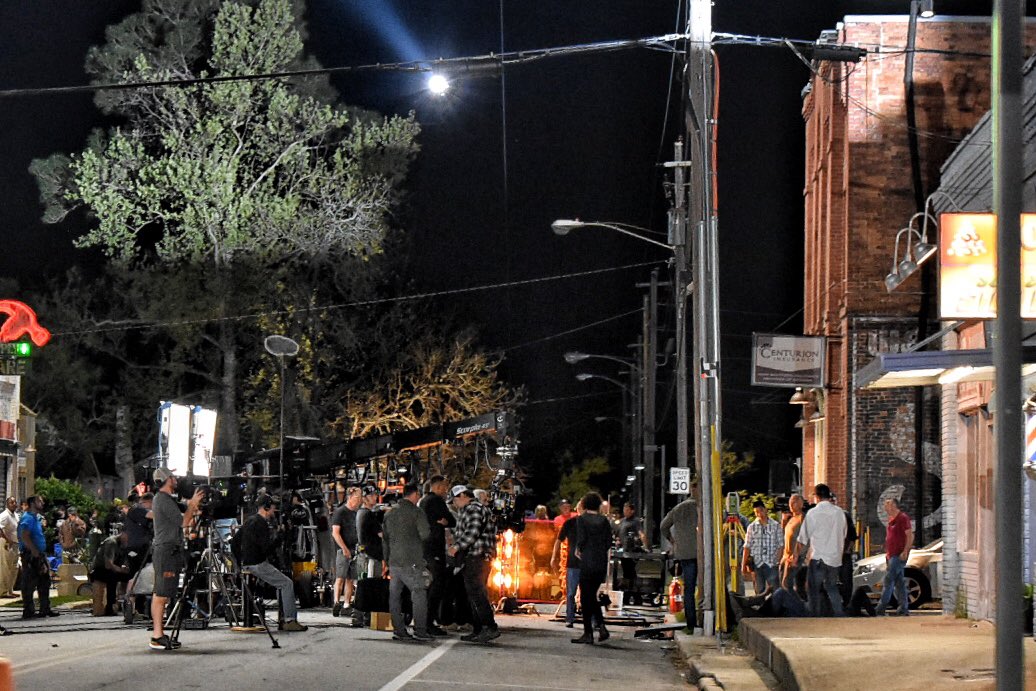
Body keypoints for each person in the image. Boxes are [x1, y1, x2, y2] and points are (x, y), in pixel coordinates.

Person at [149, 467, 205, 651]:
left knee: (163, 592)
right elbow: (183, 522)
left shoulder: (166, 499)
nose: (176, 479)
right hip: (166, 550)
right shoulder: (162, 499)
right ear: (167, 479)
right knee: (161, 593)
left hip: (169, 549)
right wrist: (192, 505)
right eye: (173, 477)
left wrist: (193, 506)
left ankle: (159, 634)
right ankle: (157, 636)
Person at [239, 495, 307, 632]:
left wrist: (239, 562)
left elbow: (235, 541)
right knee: (286, 583)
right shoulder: (261, 523)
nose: (274, 510)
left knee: (280, 582)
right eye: (272, 507)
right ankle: (289, 620)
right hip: (257, 563)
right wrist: (280, 536)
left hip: (247, 562)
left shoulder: (249, 521)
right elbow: (266, 549)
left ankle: (284, 618)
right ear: (266, 507)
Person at [448, 485, 500, 643]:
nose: (454, 504)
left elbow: (472, 532)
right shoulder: (475, 509)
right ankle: (479, 629)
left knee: (477, 593)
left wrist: (456, 547)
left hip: (476, 557)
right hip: (478, 557)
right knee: (474, 593)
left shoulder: (473, 509)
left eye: (455, 500)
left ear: (463, 495)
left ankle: (489, 627)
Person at [382, 483, 432, 642]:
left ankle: (399, 630)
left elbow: (385, 539)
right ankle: (420, 630)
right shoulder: (416, 512)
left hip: (394, 561)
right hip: (412, 560)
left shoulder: (390, 513)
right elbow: (425, 534)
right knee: (419, 593)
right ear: (415, 494)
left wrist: (386, 560)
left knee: (394, 596)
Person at [794, 484, 846, 617]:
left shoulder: (813, 513)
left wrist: (796, 556)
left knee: (813, 589)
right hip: (834, 558)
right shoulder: (839, 512)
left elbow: (802, 538)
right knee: (832, 587)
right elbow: (844, 533)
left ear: (816, 497)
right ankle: (839, 614)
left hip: (818, 557)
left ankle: (815, 617)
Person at [571, 492, 611, 645]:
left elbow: (581, 538)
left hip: (587, 561)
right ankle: (600, 626)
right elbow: (608, 541)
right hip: (600, 562)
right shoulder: (604, 520)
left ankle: (589, 632)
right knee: (591, 596)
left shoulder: (582, 519)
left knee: (586, 598)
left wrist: (579, 549)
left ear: (585, 504)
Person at [418, 475, 455, 636]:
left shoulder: (423, 501)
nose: (446, 491)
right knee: (437, 584)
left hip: (424, 548)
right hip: (434, 548)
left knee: (428, 585)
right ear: (438, 487)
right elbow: (451, 520)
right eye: (444, 487)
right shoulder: (436, 501)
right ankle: (428, 622)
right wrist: (446, 522)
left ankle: (423, 620)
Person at [660, 492, 699, 632]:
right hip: (702, 553)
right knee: (705, 587)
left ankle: (691, 623)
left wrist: (673, 541)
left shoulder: (678, 508)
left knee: (689, 588)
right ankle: (706, 619)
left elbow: (663, 526)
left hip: (684, 553)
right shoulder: (702, 507)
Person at [18, 495, 57, 619]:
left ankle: (45, 608)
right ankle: (29, 610)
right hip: (31, 554)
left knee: (44, 581)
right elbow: (24, 536)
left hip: (39, 554)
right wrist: (34, 551)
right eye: (40, 501)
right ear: (33, 503)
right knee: (29, 582)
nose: (43, 503)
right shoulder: (27, 518)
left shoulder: (35, 518)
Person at [876, 497, 913, 616]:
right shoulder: (891, 519)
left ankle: (880, 608)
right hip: (891, 555)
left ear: (894, 506)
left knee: (888, 580)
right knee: (899, 582)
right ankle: (903, 608)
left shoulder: (902, 518)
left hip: (898, 555)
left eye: (887, 505)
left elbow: (909, 535)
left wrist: (905, 551)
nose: (885, 507)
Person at [551, 499, 583, 628]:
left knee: (586, 592)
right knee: (570, 592)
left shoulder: (591, 524)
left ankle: (591, 619)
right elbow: (559, 539)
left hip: (586, 563)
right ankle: (570, 618)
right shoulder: (569, 523)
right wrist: (554, 556)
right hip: (573, 562)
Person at [331, 486, 361, 617]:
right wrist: (344, 548)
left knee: (350, 578)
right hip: (342, 550)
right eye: (357, 498)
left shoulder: (356, 513)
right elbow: (335, 533)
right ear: (350, 497)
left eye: (360, 498)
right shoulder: (340, 512)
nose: (359, 500)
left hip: (355, 549)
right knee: (340, 577)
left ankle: (347, 604)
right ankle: (336, 602)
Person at [742, 500, 783, 596]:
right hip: (757, 564)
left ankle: (775, 605)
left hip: (771, 563)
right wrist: (743, 564)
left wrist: (777, 561)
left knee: (775, 592)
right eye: (756, 512)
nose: (759, 514)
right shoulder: (751, 527)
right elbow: (747, 546)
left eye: (761, 510)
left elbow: (781, 545)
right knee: (759, 593)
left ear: (765, 510)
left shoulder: (776, 526)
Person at [90, 530, 131, 616]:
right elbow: (108, 565)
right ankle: (110, 606)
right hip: (99, 570)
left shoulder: (122, 545)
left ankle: (125, 601)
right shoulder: (111, 542)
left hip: (109, 570)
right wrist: (121, 570)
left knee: (129, 576)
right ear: (123, 534)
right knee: (113, 577)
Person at [779, 494, 807, 599]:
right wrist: (784, 522)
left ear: (801, 504)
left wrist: (797, 556)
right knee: (783, 585)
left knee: (788, 585)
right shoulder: (791, 518)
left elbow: (804, 539)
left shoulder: (802, 518)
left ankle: (797, 605)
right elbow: (785, 537)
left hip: (796, 558)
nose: (791, 504)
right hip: (786, 556)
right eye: (790, 501)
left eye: (794, 501)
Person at [617, 502, 647, 594]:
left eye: (627, 510)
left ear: (632, 511)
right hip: (623, 549)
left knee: (630, 571)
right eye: (624, 510)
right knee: (626, 571)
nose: (625, 512)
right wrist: (618, 541)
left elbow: (641, 533)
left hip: (632, 549)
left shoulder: (635, 521)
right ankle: (630, 591)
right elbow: (619, 534)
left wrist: (645, 545)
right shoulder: (622, 521)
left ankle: (631, 591)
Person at [0, 497, 19, 597]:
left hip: (16, 544)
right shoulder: (4, 515)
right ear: (7, 504)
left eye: (15, 502)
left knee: (14, 567)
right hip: (7, 544)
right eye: (12, 502)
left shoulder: (15, 515)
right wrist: (7, 540)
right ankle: (3, 591)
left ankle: (10, 590)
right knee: (6, 567)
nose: (14, 504)